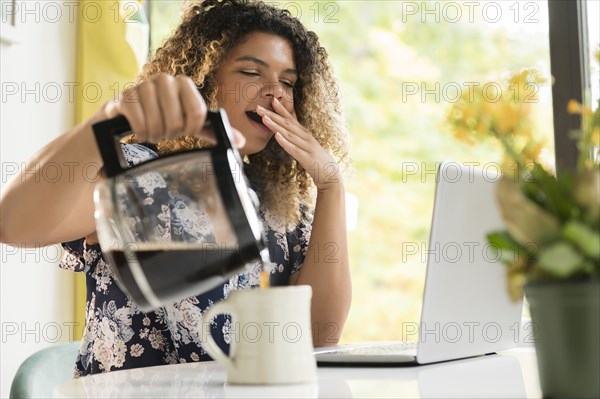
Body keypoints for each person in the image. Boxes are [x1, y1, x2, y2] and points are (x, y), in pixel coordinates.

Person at [0, 0, 351, 377]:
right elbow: (14, 225)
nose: (274, 93)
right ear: (205, 76)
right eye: (251, 72)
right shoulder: (134, 172)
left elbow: (318, 340)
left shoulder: (283, 207)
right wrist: (107, 121)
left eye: (288, 82)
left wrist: (332, 186)